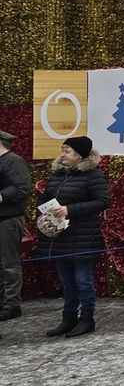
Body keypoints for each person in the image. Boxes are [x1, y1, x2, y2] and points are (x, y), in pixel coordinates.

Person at [37, 136, 109, 338]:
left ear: (80, 155)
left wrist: (70, 209)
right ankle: (68, 318)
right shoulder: (58, 175)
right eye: (63, 150)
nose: (62, 154)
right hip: (60, 237)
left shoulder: (93, 175)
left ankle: (87, 319)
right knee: (67, 281)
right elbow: (44, 198)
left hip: (83, 236)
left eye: (67, 151)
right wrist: (43, 214)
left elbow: (103, 201)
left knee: (82, 279)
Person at [0, 129, 31, 324]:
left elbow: (22, 187)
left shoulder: (13, 161)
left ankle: (12, 304)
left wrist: (2, 196)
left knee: (8, 262)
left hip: (8, 218)